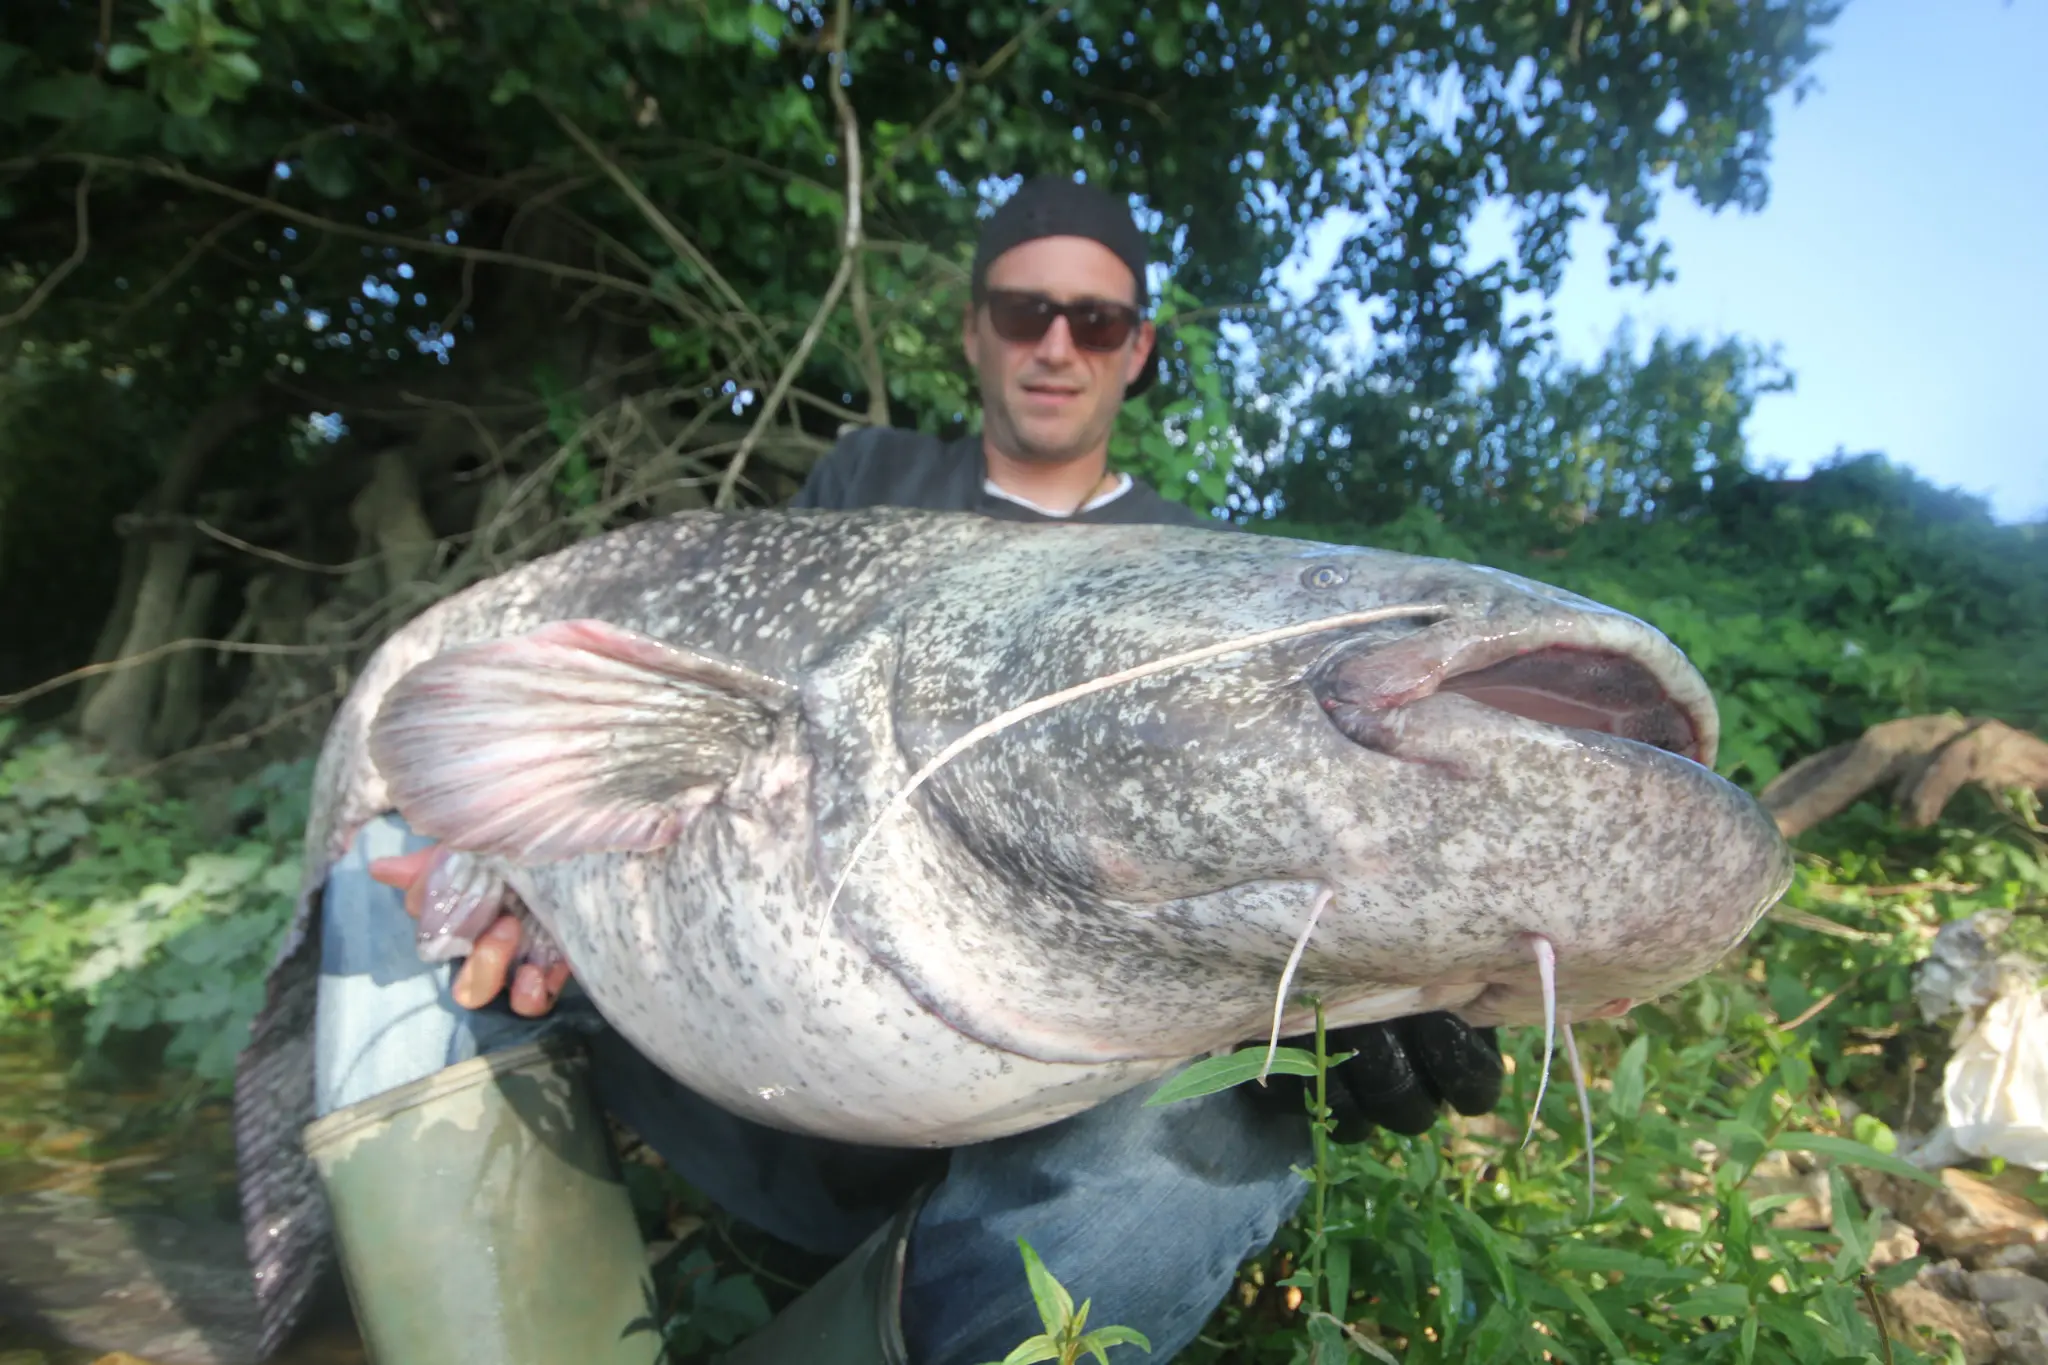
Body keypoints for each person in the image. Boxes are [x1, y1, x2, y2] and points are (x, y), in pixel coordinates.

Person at [312, 177, 1505, 1365]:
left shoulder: (1209, 577)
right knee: (391, 875)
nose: (1054, 344)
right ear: (974, 329)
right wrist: (549, 867)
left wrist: (1347, 990)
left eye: (1092, 321)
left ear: (1136, 349)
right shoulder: (864, 484)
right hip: (749, 1061)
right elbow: (708, 759)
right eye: (1022, 309)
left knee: (1216, 1140)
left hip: (1042, 1128)